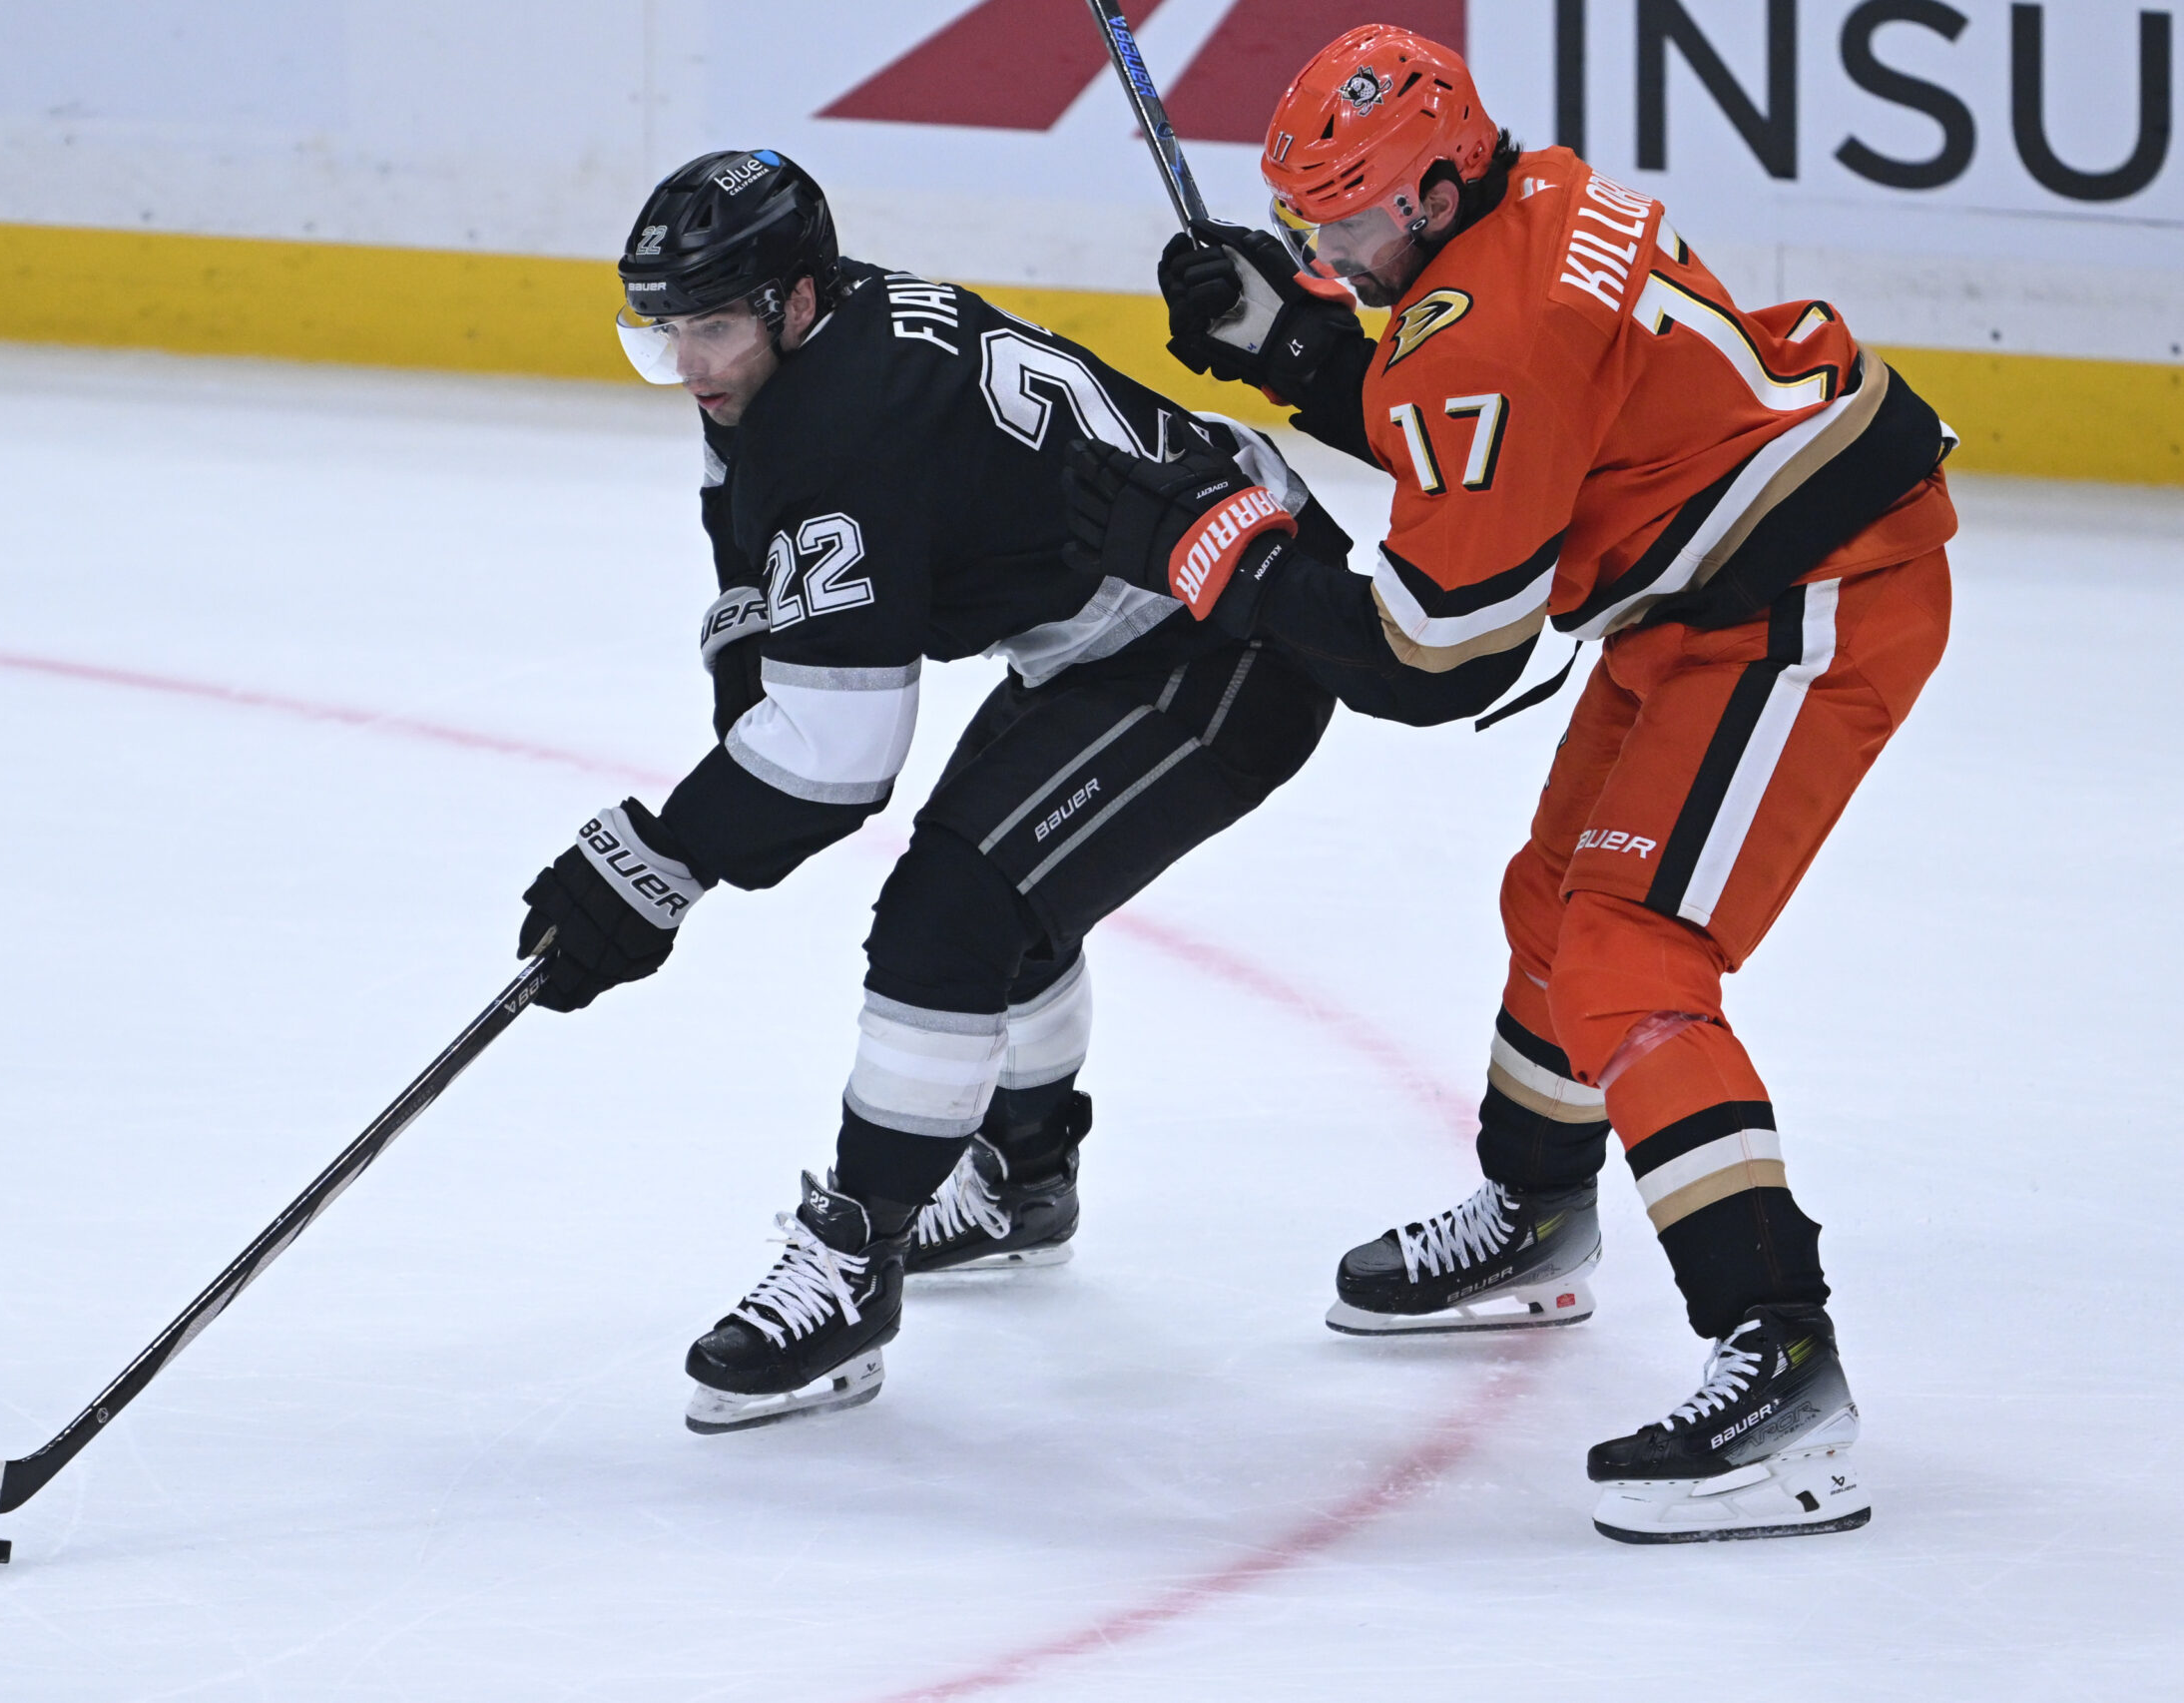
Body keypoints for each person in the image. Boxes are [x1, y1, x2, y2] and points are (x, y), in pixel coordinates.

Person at [1063, 25, 1954, 1540]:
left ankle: (1783, 1355)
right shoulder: (1522, 198)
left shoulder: (1490, 328)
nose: (1319, 249)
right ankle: (1539, 1212)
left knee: (1627, 950)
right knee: (1554, 896)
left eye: (1339, 224)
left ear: (1427, 192)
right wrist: (1293, 343)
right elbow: (1491, 426)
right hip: (1710, 577)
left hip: (1816, 596)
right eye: (1302, 226)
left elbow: (1441, 655)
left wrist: (1229, 553)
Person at [518, 150, 1345, 1433]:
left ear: (796, 300)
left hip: (1235, 631)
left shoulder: (850, 414)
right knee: (998, 875)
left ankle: (856, 1256)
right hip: (1123, 631)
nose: (690, 365)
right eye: (665, 333)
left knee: (953, 913)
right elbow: (754, 547)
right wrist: (744, 712)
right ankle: (1019, 1175)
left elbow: (837, 759)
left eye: (714, 330)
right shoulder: (785, 353)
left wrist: (655, 863)